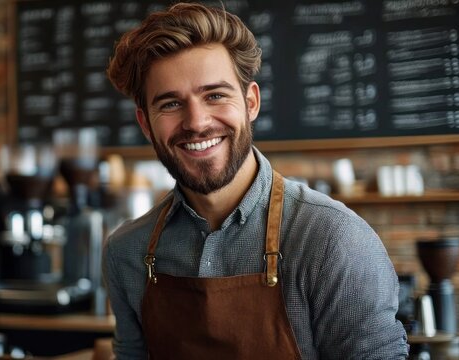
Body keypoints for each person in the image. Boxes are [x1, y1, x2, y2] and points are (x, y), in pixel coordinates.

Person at [103, 2, 408, 359]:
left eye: (215, 95)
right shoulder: (126, 253)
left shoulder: (334, 242)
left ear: (250, 103)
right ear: (146, 124)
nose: (197, 122)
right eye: (170, 104)